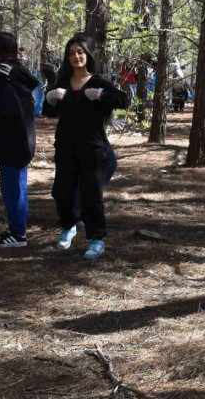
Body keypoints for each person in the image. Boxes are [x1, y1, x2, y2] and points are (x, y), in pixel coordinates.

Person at [43, 33, 128, 258]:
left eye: (80, 52)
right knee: (62, 191)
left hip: (93, 147)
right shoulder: (63, 82)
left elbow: (123, 100)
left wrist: (101, 95)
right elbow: (49, 112)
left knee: (91, 193)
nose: (76, 56)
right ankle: (68, 227)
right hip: (65, 145)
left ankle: (96, 239)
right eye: (71, 53)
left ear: (88, 54)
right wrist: (50, 97)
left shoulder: (98, 82)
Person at [0, 32, 39, 247]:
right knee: (17, 186)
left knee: (12, 188)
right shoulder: (16, 71)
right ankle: (17, 228)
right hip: (22, 138)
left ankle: (18, 234)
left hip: (11, 139)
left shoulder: (0, 72)